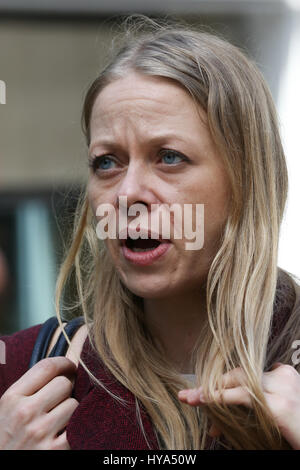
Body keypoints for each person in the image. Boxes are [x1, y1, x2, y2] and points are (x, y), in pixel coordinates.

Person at [0, 15, 300, 450]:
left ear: (246, 180)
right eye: (107, 161)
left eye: (169, 157)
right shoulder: (22, 381)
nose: (127, 193)